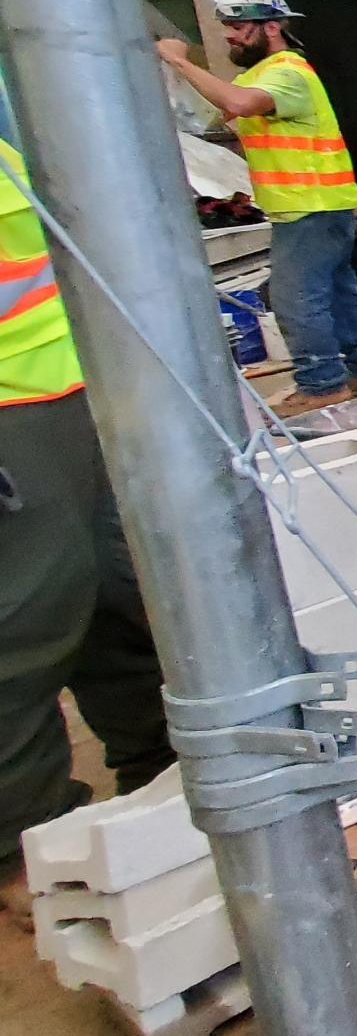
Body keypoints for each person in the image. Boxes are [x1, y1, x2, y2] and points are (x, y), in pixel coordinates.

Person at [0, 114, 171, 903]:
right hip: (12, 419)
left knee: (124, 596)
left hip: (79, 391)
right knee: (23, 630)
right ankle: (29, 851)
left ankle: (162, 780)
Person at [157, 0, 357, 413]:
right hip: (313, 205)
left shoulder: (287, 73)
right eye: (226, 24)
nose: (229, 33)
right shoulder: (261, 75)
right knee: (337, 293)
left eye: (239, 25)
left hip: (311, 206)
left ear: (272, 27)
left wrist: (177, 61)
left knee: (294, 297)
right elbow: (227, 109)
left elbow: (239, 104)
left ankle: (321, 384)